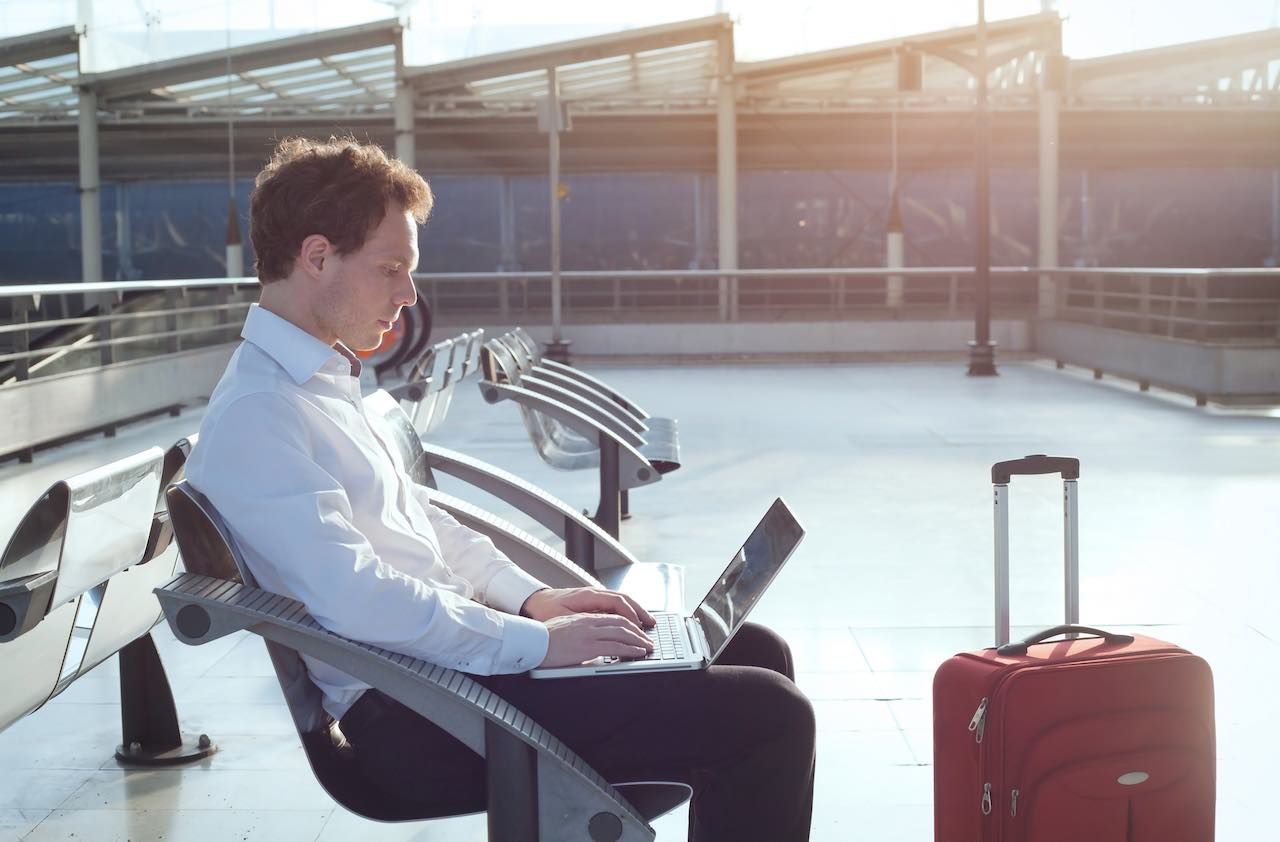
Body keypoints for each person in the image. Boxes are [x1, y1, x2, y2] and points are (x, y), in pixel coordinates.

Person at [186, 136, 815, 842]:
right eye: (391, 268)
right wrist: (537, 644)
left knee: (753, 650)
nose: (408, 295)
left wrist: (535, 601)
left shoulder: (319, 383)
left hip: (447, 675)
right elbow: (357, 598)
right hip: (418, 716)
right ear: (317, 256)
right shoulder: (261, 413)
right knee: (768, 718)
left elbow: (422, 524)